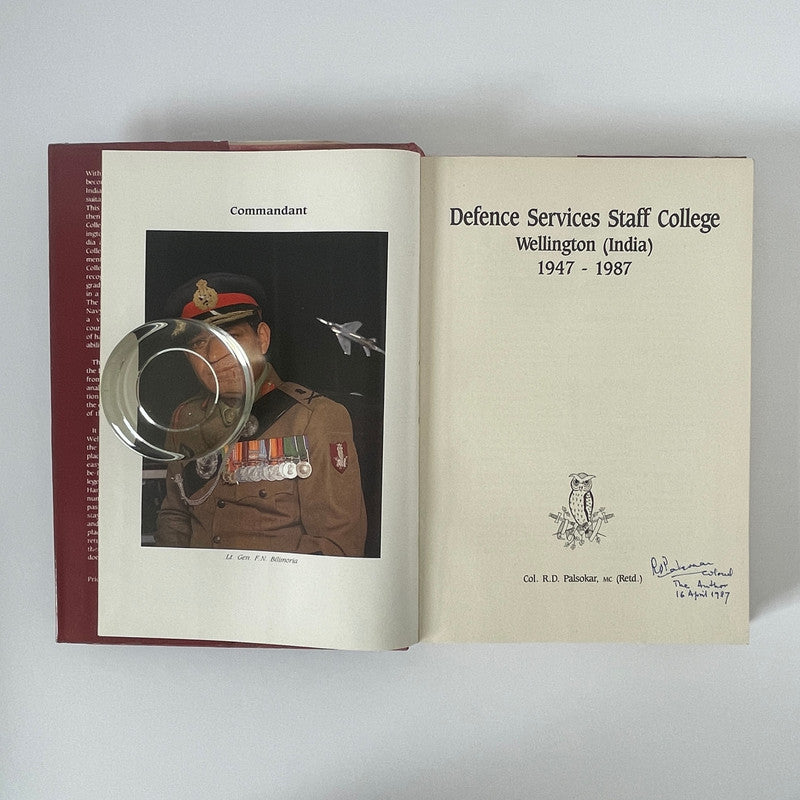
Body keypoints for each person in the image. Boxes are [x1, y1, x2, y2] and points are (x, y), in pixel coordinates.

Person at [154, 272, 367, 556]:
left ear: (262, 339)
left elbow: (335, 546)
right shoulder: (185, 420)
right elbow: (175, 518)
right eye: (199, 344)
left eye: (231, 336)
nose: (214, 355)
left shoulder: (314, 417)